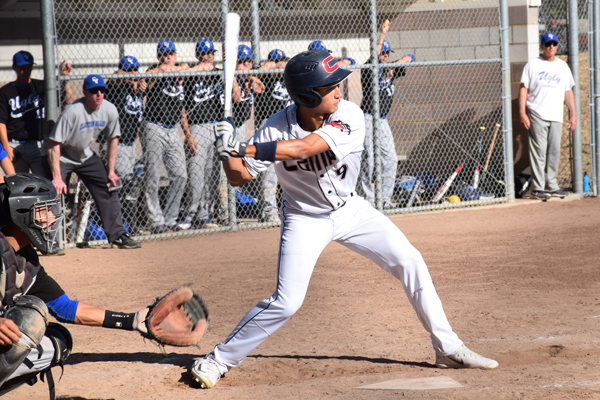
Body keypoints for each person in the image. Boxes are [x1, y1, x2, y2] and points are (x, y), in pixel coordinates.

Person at [190, 50, 498, 389]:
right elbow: (238, 177)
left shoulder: (350, 114)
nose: (340, 90)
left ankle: (448, 347)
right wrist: (225, 149)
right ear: (307, 96)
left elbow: (306, 148)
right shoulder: (274, 127)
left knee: (410, 259)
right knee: (287, 301)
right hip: (304, 218)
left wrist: (244, 148)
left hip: (351, 210)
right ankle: (217, 360)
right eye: (330, 86)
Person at [0, 173, 151, 396]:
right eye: (45, 210)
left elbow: (65, 307)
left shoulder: (25, 262)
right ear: (20, 213)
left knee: (57, 342)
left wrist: (132, 321)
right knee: (29, 318)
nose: (52, 217)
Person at [42, 74, 141, 249]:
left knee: (108, 186)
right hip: (62, 155)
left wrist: (111, 172)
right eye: (94, 91)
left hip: (84, 155)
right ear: (85, 92)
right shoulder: (73, 111)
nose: (99, 94)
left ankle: (118, 235)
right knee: (53, 192)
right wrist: (57, 177)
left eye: (102, 90)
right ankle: (51, 240)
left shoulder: (109, 109)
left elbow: (113, 139)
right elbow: (53, 144)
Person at [358, 19, 414, 209]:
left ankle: (385, 199)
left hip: (382, 121)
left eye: (387, 54)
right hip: (367, 117)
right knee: (369, 161)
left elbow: (411, 56)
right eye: (384, 54)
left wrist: (395, 65)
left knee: (390, 159)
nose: (385, 57)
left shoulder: (391, 68)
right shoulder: (369, 69)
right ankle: (367, 199)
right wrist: (382, 34)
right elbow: (374, 57)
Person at [518, 32, 576, 201]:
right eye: (548, 44)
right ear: (542, 47)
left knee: (554, 152)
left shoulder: (562, 66)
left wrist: (573, 114)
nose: (551, 46)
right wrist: (522, 113)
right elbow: (523, 89)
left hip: (556, 115)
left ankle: (551, 185)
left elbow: (568, 91)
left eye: (554, 43)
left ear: (557, 46)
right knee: (539, 152)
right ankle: (538, 188)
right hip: (537, 113)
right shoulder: (533, 65)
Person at [176, 39, 226, 230]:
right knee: (195, 174)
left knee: (213, 174)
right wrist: (188, 135)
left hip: (216, 127)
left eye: (212, 53)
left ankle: (206, 216)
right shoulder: (190, 75)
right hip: (197, 127)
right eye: (206, 53)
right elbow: (182, 109)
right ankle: (190, 215)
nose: (210, 56)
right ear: (198, 56)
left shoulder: (217, 74)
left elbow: (235, 94)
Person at [142, 40, 191, 233]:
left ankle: (170, 220)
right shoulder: (155, 70)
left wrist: (182, 69)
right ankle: (156, 222)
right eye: (164, 54)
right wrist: (164, 69)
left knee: (180, 175)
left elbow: (182, 108)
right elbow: (147, 79)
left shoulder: (180, 71)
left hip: (173, 130)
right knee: (152, 176)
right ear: (159, 56)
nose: (168, 56)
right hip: (154, 126)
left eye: (171, 53)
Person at [0, 51, 72, 176]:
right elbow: (1, 122)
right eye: (22, 67)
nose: (26, 70)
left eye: (29, 66)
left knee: (44, 184)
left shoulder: (41, 87)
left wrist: (65, 79)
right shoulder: (5, 92)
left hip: (39, 145)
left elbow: (67, 100)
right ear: (14, 68)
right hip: (15, 145)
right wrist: (6, 147)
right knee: (17, 186)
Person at [100, 55, 146, 233]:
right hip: (114, 145)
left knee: (128, 187)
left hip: (130, 145)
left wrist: (142, 81)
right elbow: (115, 76)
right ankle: (124, 227)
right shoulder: (116, 86)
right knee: (129, 182)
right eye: (130, 70)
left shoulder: (138, 88)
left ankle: (129, 226)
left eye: (136, 69)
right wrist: (129, 78)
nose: (133, 73)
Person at [251, 48, 292, 222]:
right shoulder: (264, 77)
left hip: (287, 126)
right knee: (269, 173)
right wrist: (267, 67)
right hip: (268, 126)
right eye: (279, 61)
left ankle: (288, 210)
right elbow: (252, 75)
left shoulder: (288, 78)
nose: (282, 64)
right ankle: (270, 213)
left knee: (290, 170)